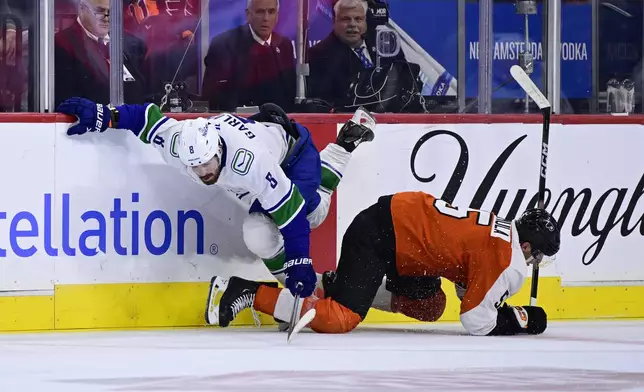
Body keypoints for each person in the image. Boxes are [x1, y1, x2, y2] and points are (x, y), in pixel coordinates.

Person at [56, 97, 375, 304]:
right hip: (256, 174)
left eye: (208, 163)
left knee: (308, 216)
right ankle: (299, 296)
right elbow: (145, 118)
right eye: (195, 166)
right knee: (263, 229)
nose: (203, 172)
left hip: (292, 153)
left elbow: (290, 217)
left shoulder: (247, 160)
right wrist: (104, 114)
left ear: (219, 149)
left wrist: (299, 262)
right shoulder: (180, 144)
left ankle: (343, 146)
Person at [206, 191, 561, 336]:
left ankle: (337, 284)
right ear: (528, 244)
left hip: (402, 239)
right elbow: (476, 321)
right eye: (538, 254)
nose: (535, 262)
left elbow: (462, 285)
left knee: (431, 305)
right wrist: (523, 320)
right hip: (382, 236)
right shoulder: (508, 258)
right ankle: (249, 292)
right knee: (340, 318)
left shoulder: (501, 235)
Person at [201, 0, 296, 112]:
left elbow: (290, 94)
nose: (266, 18)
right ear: (248, 15)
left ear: (277, 16)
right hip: (240, 124)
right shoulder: (224, 45)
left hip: (279, 123)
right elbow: (213, 99)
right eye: (260, 12)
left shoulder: (285, 45)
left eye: (271, 12)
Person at [54, 0, 149, 107]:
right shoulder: (61, 45)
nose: (106, 17)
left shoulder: (133, 44)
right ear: (82, 9)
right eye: (100, 11)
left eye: (110, 12)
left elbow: (146, 93)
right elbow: (66, 99)